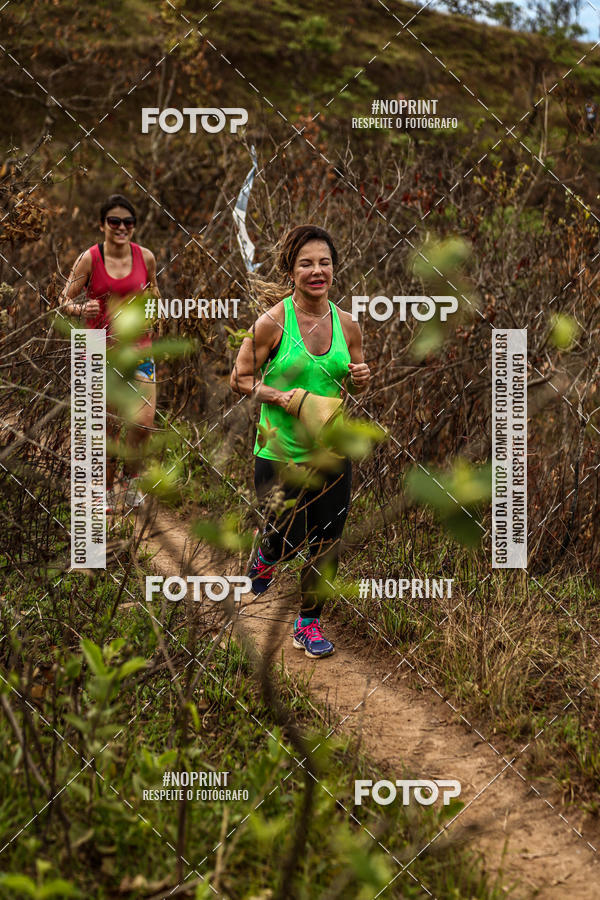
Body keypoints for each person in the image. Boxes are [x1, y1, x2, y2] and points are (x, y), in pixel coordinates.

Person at [230, 224, 370, 659]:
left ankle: (308, 623)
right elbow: (240, 378)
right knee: (285, 538)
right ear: (291, 271)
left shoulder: (348, 326)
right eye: (306, 263)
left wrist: (362, 380)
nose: (316, 271)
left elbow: (355, 381)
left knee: (328, 539)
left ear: (334, 268)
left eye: (324, 263)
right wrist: (278, 396)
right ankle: (266, 558)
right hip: (278, 451)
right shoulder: (273, 322)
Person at [59, 193, 159, 512]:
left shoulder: (146, 257)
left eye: (128, 222)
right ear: (102, 224)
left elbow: (154, 291)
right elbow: (65, 299)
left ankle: (130, 482)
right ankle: (100, 489)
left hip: (139, 349)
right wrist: (79, 308)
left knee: (143, 422)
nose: (121, 227)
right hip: (98, 350)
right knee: (105, 425)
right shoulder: (90, 258)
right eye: (114, 221)